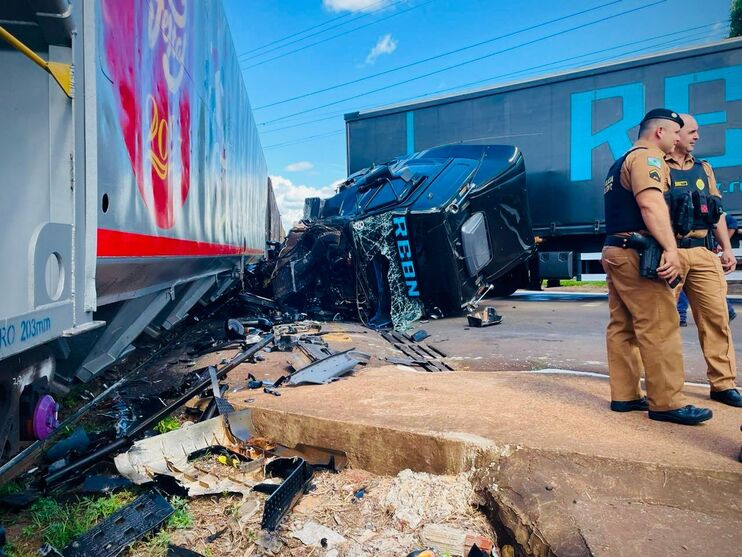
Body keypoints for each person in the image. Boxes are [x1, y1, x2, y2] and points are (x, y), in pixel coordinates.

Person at [602, 108, 712, 425]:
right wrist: (671, 249)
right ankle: (667, 403)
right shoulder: (648, 159)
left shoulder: (619, 162)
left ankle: (624, 396)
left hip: (617, 247)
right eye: (676, 133)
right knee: (660, 324)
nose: (679, 139)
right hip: (638, 251)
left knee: (622, 326)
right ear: (660, 133)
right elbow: (650, 204)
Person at [665, 114, 741, 407]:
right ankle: (662, 388)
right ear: (676, 133)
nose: (697, 137)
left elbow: (717, 211)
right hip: (670, 251)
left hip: (703, 252)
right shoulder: (658, 165)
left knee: (716, 319)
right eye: (692, 132)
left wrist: (726, 248)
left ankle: (723, 385)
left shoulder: (703, 168)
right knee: (660, 322)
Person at [677, 211, 739, 325]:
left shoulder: (724, 214)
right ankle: (727, 311)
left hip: (703, 248)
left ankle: (681, 315)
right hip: (677, 247)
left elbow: (728, 221)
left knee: (711, 292)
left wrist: (725, 247)